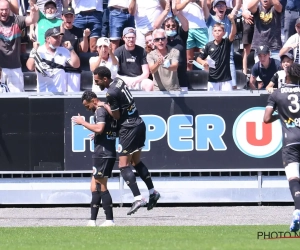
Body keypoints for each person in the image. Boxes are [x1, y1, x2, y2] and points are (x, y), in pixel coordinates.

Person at [92, 66, 161, 215]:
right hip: (139, 123)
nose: (96, 83)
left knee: (123, 165)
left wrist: (103, 104)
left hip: (129, 128)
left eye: (97, 81)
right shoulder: (118, 81)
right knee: (136, 162)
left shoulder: (110, 93)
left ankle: (138, 198)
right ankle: (152, 191)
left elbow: (116, 116)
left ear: (105, 79)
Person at [71, 90, 118, 227]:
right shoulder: (104, 109)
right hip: (103, 151)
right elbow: (106, 130)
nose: (87, 109)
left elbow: (100, 128)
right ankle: (92, 220)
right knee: (94, 186)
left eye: (87, 106)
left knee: (101, 186)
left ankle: (109, 220)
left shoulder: (100, 110)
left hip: (103, 153)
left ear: (94, 100)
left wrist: (83, 122)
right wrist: (97, 136)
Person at [263, 63, 300, 232]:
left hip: (290, 141)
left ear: (286, 77)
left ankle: (298, 211)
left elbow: (266, 118)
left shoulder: (277, 94)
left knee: (294, 179)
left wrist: (283, 117)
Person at [196, 14, 237, 91]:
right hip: (212, 79)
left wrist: (232, 21)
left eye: (219, 30)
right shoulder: (208, 45)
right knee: (212, 102)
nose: (217, 32)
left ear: (224, 33)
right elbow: (198, 58)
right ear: (212, 33)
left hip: (226, 80)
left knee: (227, 102)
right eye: (215, 31)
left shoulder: (226, 42)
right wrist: (203, 63)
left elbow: (233, 33)